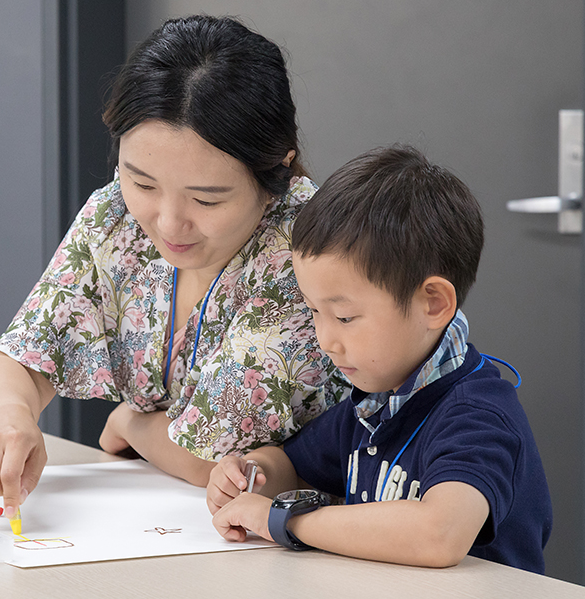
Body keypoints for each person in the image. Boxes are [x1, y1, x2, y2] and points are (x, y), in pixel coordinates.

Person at [0, 15, 348, 521]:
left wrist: (132, 424)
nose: (168, 223)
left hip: (311, 536)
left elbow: (213, 457)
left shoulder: (308, 248)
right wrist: (7, 418)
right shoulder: (114, 217)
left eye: (206, 199)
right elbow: (20, 359)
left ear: (276, 170)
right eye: (142, 183)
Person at [207, 146, 552, 572]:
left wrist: (286, 520)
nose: (326, 339)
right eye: (315, 312)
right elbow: (290, 467)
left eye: (345, 316)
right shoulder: (374, 403)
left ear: (433, 304)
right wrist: (251, 473)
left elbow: (439, 534)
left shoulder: (477, 415)